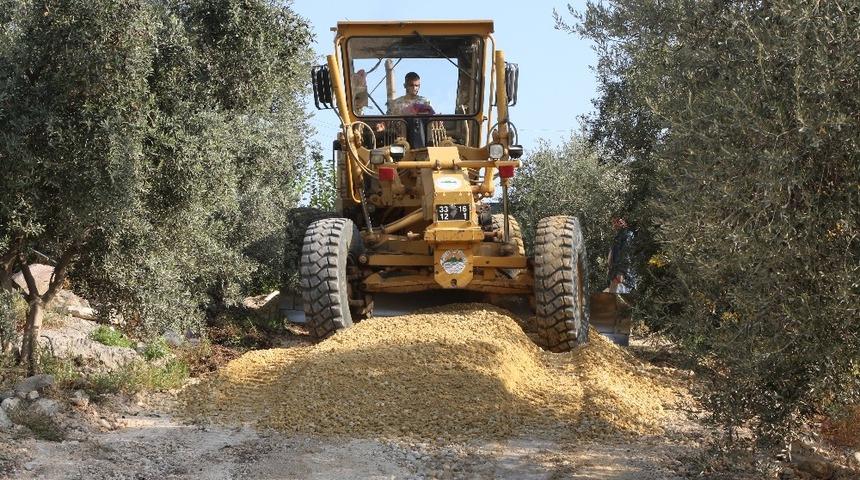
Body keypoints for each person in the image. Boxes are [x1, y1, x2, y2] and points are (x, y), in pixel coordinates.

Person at [607, 216, 638, 294]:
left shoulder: (627, 235)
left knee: (615, 300)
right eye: (613, 222)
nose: (614, 224)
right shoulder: (620, 235)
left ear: (624, 222)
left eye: (617, 221)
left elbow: (626, 255)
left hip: (623, 276)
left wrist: (621, 272)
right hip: (617, 273)